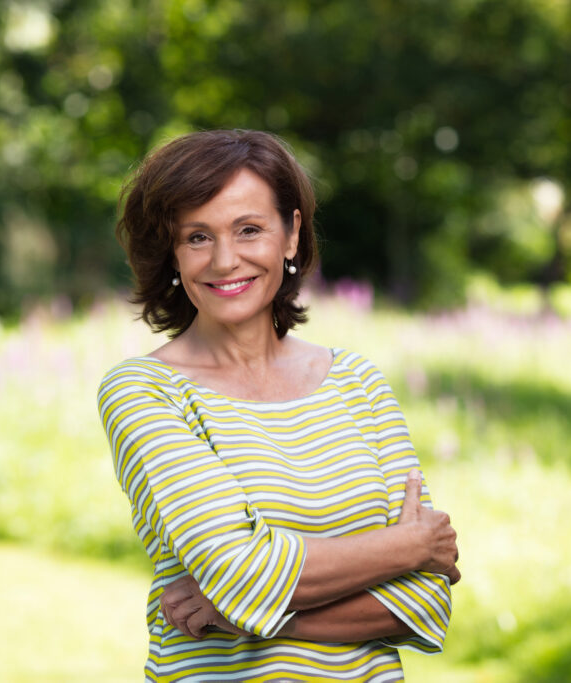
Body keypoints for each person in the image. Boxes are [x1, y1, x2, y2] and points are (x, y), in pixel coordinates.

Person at [97, 129, 459, 682]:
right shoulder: (144, 391)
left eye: (249, 230)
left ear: (291, 234)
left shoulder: (357, 382)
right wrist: (406, 546)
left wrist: (244, 615)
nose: (224, 260)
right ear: (170, 251)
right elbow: (241, 573)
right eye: (197, 237)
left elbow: (428, 604)